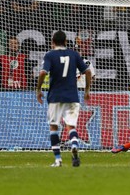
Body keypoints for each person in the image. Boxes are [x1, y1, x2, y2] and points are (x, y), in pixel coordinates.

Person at [36, 30, 92, 167]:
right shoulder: (74, 54)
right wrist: (87, 90)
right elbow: (88, 71)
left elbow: (43, 72)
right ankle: (74, 144)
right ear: (66, 42)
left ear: (52, 42)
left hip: (55, 96)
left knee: (54, 126)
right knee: (71, 126)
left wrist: (38, 89)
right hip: (72, 96)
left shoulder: (50, 55)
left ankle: (58, 159)